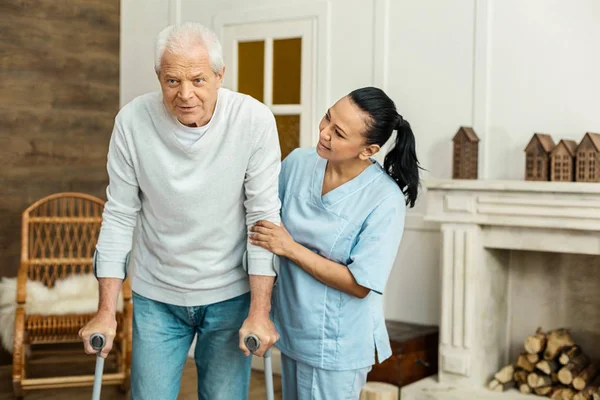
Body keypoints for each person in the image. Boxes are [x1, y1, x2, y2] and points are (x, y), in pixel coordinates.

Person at [78, 22, 281, 400]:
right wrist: (106, 309)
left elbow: (262, 219)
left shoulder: (252, 120)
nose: (185, 94)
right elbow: (120, 215)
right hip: (157, 293)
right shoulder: (132, 122)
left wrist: (260, 310)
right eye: (172, 81)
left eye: (199, 80)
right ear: (158, 76)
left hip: (228, 294)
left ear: (220, 75)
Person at [249, 87, 421, 399]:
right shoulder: (299, 163)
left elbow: (360, 284)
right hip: (291, 327)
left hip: (337, 343)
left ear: (367, 150)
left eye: (338, 133)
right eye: (327, 117)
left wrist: (290, 247)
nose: (324, 132)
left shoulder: (384, 199)